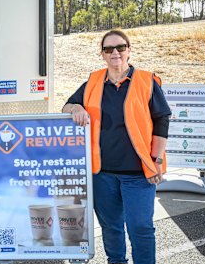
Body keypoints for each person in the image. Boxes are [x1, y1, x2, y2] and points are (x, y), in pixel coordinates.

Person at [62, 30, 171, 264]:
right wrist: (76, 108)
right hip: (103, 174)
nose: (115, 53)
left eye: (120, 47)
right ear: (102, 54)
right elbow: (67, 105)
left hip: (139, 173)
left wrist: (157, 159)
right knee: (111, 227)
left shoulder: (146, 80)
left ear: (129, 50)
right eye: (109, 49)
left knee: (140, 228)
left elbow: (162, 120)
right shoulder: (93, 81)